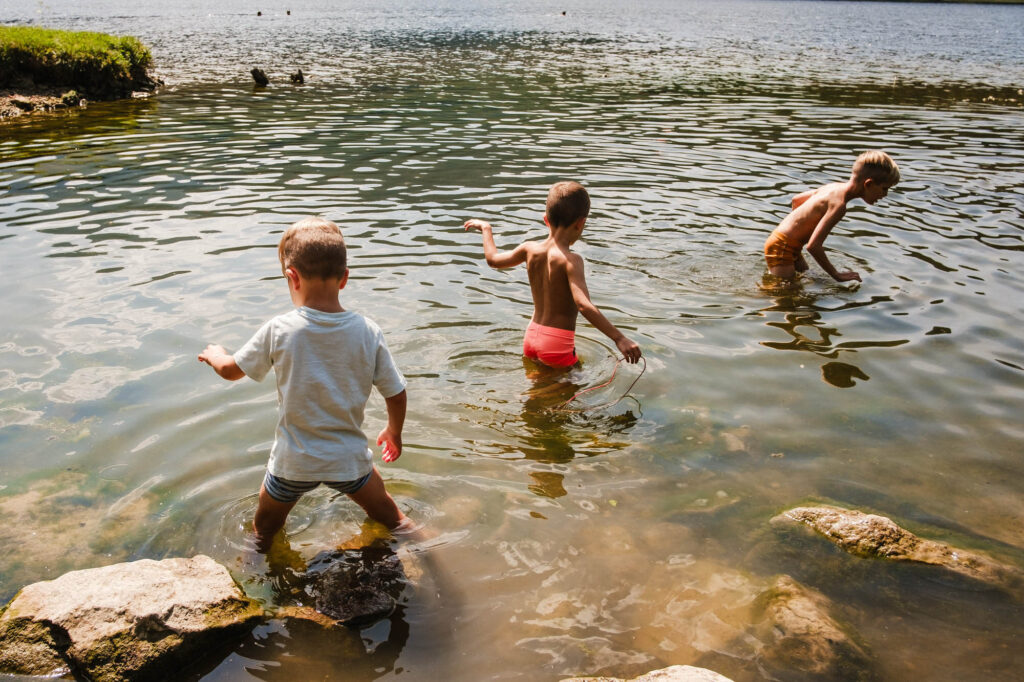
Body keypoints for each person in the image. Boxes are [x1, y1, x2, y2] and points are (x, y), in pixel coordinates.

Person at [198, 216, 414, 550]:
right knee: (394, 519)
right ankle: (435, 556)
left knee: (263, 530)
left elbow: (230, 371)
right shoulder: (367, 331)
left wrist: (216, 354)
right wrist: (393, 431)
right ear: (344, 278)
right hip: (349, 462)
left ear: (292, 277)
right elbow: (396, 393)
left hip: (292, 464)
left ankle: (254, 569)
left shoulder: (280, 329)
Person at [464, 181, 641, 368]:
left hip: (531, 336)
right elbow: (583, 305)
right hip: (556, 343)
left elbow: (493, 260)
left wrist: (486, 229)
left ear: (545, 219)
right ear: (581, 223)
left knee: (540, 381)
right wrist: (619, 338)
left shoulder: (529, 249)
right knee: (573, 381)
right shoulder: (571, 260)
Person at [764, 150, 900, 282]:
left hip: (787, 244)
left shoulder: (833, 187)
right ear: (868, 184)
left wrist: (798, 232)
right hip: (782, 247)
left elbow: (796, 200)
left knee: (808, 278)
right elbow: (813, 247)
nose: (885, 195)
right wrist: (837, 275)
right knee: (784, 294)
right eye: (884, 188)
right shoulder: (839, 205)